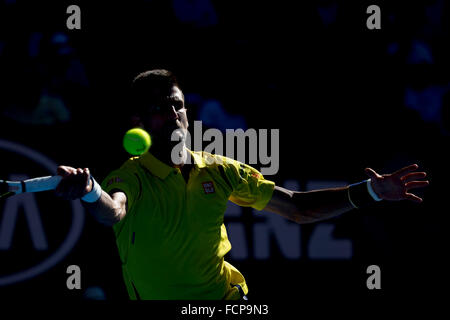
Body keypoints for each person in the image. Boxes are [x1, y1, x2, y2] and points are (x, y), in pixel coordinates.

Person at [54, 69, 429, 300]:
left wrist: (373, 191)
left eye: (178, 105)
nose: (173, 116)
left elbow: (297, 208)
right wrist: (89, 191)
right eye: (159, 109)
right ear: (138, 121)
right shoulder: (130, 176)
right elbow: (113, 209)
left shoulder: (220, 169)